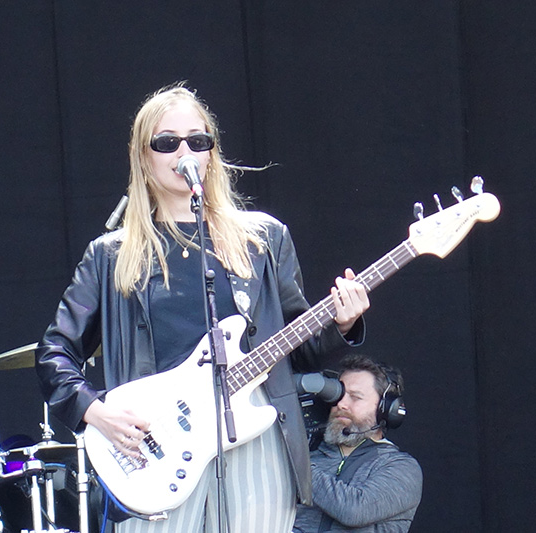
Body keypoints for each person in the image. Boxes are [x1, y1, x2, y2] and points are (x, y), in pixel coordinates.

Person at [35, 83, 370, 533]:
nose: (184, 152)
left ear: (212, 153)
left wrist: (342, 323)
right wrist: (95, 411)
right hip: (155, 448)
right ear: (144, 156)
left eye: (198, 140)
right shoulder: (111, 255)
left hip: (253, 437)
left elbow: (301, 348)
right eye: (168, 142)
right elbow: (54, 353)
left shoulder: (263, 239)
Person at [293, 354, 423, 532]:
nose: (341, 404)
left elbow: (354, 510)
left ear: (384, 409)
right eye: (338, 394)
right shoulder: (309, 452)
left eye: (355, 397)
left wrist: (296, 465)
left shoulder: (402, 467)